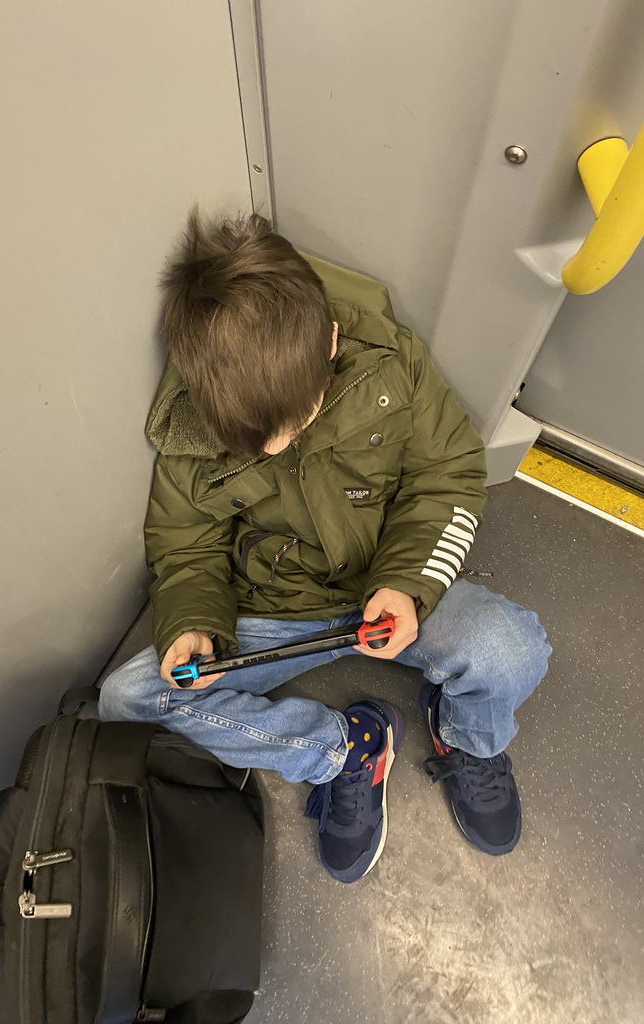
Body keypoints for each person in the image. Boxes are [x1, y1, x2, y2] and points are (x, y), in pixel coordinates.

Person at [99, 210, 551, 881]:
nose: (277, 447)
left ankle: (467, 740)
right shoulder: (195, 426)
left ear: (331, 342)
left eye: (296, 421)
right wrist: (193, 621)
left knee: (513, 649)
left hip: (387, 582)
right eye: (254, 443)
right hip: (276, 610)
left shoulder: (394, 367)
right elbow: (185, 544)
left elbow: (449, 474)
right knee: (129, 698)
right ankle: (343, 752)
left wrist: (407, 584)